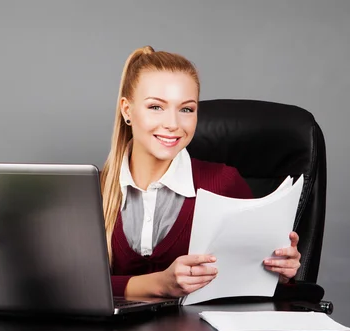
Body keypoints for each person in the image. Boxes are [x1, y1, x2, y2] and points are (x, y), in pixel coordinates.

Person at [100, 45, 301, 299]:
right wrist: (159, 284)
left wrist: (280, 273)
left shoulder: (225, 183)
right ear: (127, 110)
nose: (172, 124)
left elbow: (254, 287)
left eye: (186, 109)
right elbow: (72, 288)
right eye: (155, 107)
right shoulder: (93, 192)